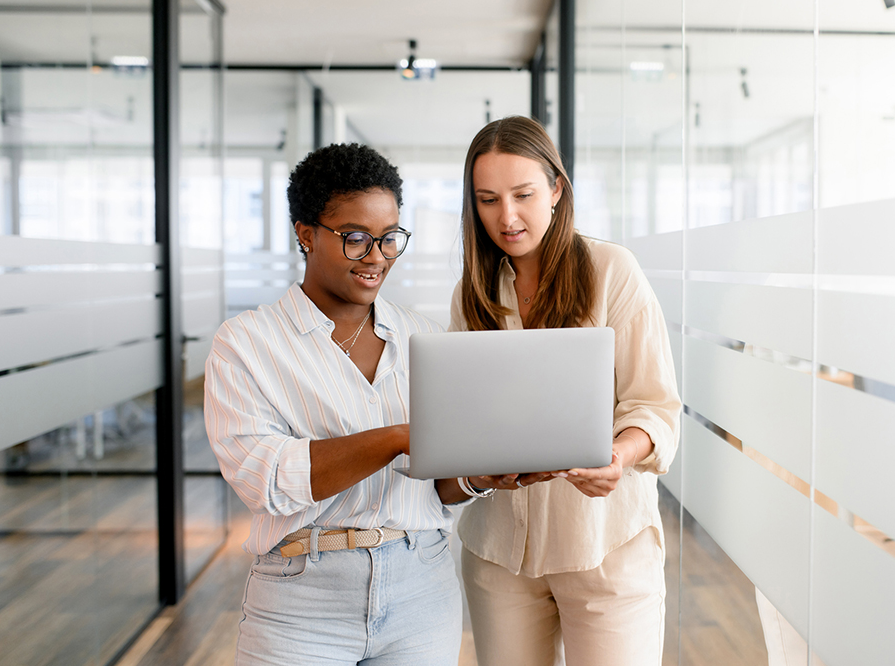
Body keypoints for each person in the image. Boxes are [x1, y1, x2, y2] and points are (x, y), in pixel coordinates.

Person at [204, 143, 462, 666]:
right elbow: (268, 480)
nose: (377, 258)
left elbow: (442, 486)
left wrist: (484, 475)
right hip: (302, 599)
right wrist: (397, 437)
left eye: (390, 238)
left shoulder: (425, 337)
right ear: (306, 234)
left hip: (422, 588)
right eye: (356, 239)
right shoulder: (246, 344)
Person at [440, 116, 682, 665]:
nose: (507, 217)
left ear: (556, 189)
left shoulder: (611, 271)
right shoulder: (472, 291)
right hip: (500, 551)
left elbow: (656, 404)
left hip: (606, 544)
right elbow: (466, 415)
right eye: (488, 199)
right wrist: (475, 465)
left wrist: (619, 455)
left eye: (524, 194)